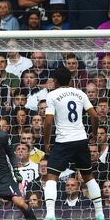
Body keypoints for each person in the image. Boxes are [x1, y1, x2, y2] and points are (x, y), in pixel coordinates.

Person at [43, 67, 105, 220]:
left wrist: (46, 143)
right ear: (70, 80)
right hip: (80, 140)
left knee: (51, 177)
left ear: (55, 81)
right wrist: (94, 133)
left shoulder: (52, 95)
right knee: (89, 176)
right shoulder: (80, 93)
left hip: (63, 141)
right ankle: (100, 213)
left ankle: (50, 214)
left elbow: (48, 122)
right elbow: (95, 116)